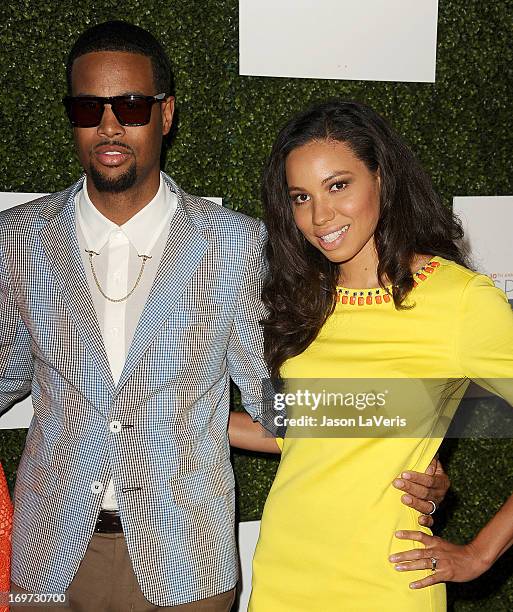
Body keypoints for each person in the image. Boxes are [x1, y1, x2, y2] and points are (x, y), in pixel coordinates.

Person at [0, 21, 449, 610]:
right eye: (90, 107)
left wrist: (407, 449)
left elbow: (278, 403)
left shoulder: (236, 246)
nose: (110, 126)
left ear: (166, 114)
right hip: (49, 560)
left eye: (132, 106)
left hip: (188, 562)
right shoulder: (17, 240)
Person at [235, 100, 513, 611]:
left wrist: (479, 553)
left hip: (386, 579)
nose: (320, 216)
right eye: (301, 197)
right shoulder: (303, 298)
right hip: (283, 571)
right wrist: (173, 412)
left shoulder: (460, 302)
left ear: (381, 178)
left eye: (338, 185)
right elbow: (309, 430)